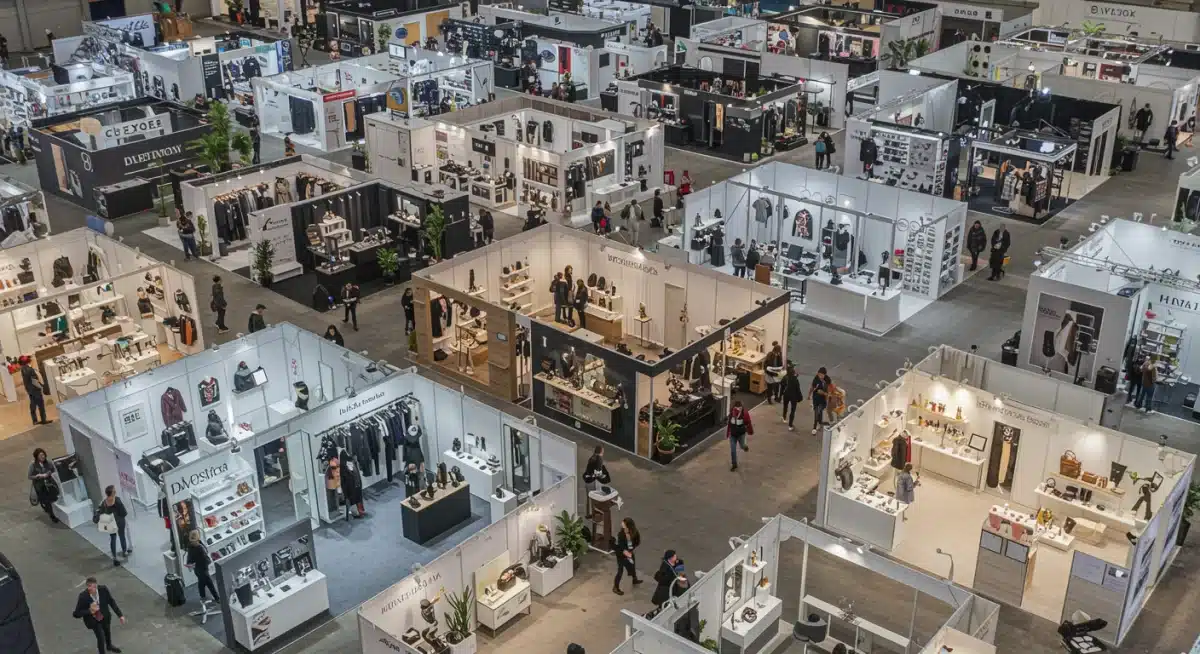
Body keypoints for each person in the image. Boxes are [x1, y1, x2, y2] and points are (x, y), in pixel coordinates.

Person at [73, 576, 125, 654]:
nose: (91, 588)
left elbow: (111, 602)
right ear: (87, 586)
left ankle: (109, 645)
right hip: (94, 621)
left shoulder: (103, 590)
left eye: (93, 586)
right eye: (89, 586)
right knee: (101, 638)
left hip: (105, 616)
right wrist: (89, 611)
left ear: (96, 585)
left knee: (107, 632)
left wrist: (120, 615)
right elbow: (76, 614)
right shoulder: (83, 597)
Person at [96, 486, 129, 566]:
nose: (115, 491)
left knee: (113, 539)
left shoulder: (104, 502)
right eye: (114, 490)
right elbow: (123, 512)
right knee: (122, 536)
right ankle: (124, 551)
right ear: (112, 492)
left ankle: (114, 557)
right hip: (119, 521)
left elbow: (102, 512)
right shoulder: (117, 500)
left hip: (110, 522)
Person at [186, 530, 220, 605]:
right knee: (209, 583)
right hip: (202, 569)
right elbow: (205, 559)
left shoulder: (191, 547)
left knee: (201, 582)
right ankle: (217, 598)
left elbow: (190, 560)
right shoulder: (198, 548)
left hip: (198, 569)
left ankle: (203, 597)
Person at [29, 448, 59, 523]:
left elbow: (53, 469)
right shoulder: (33, 465)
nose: (42, 457)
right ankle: (52, 515)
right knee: (47, 501)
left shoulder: (48, 462)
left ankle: (46, 505)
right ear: (36, 457)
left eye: (43, 455)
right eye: (40, 455)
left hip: (49, 484)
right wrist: (37, 476)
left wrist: (47, 474)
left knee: (53, 498)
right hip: (40, 486)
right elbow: (29, 476)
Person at [613, 517, 642, 595]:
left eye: (624, 523)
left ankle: (634, 579)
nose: (622, 524)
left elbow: (637, 541)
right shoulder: (621, 534)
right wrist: (625, 551)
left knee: (632, 565)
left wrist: (631, 548)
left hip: (629, 552)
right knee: (620, 570)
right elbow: (620, 545)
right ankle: (615, 587)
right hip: (621, 554)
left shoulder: (634, 532)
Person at [20, 357, 48, 425]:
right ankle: (43, 420)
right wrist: (41, 386)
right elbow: (34, 381)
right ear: (28, 361)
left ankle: (34, 420)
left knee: (33, 405)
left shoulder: (23, 369)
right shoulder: (30, 369)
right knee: (41, 405)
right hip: (35, 389)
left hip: (30, 390)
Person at [727, 400, 753, 471]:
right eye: (737, 407)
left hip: (741, 434)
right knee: (733, 450)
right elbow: (729, 424)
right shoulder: (732, 413)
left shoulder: (745, 413)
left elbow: (748, 422)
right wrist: (728, 433)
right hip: (733, 435)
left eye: (739, 407)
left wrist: (750, 431)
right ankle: (734, 464)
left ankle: (745, 447)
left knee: (742, 446)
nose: (738, 409)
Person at [780, 363, 804, 431]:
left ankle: (784, 417)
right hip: (793, 396)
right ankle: (790, 425)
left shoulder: (785, 377)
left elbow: (782, 386)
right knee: (792, 411)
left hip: (786, 394)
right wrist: (800, 397)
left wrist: (781, 394)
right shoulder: (795, 380)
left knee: (785, 406)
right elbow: (798, 389)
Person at [810, 367, 829, 434]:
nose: (820, 376)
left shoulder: (827, 380)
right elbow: (812, 387)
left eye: (822, 375)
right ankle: (814, 427)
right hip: (816, 399)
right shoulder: (816, 379)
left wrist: (823, 393)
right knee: (817, 412)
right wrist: (809, 395)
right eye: (819, 375)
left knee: (819, 411)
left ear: (825, 375)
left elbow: (828, 392)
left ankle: (820, 422)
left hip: (822, 400)